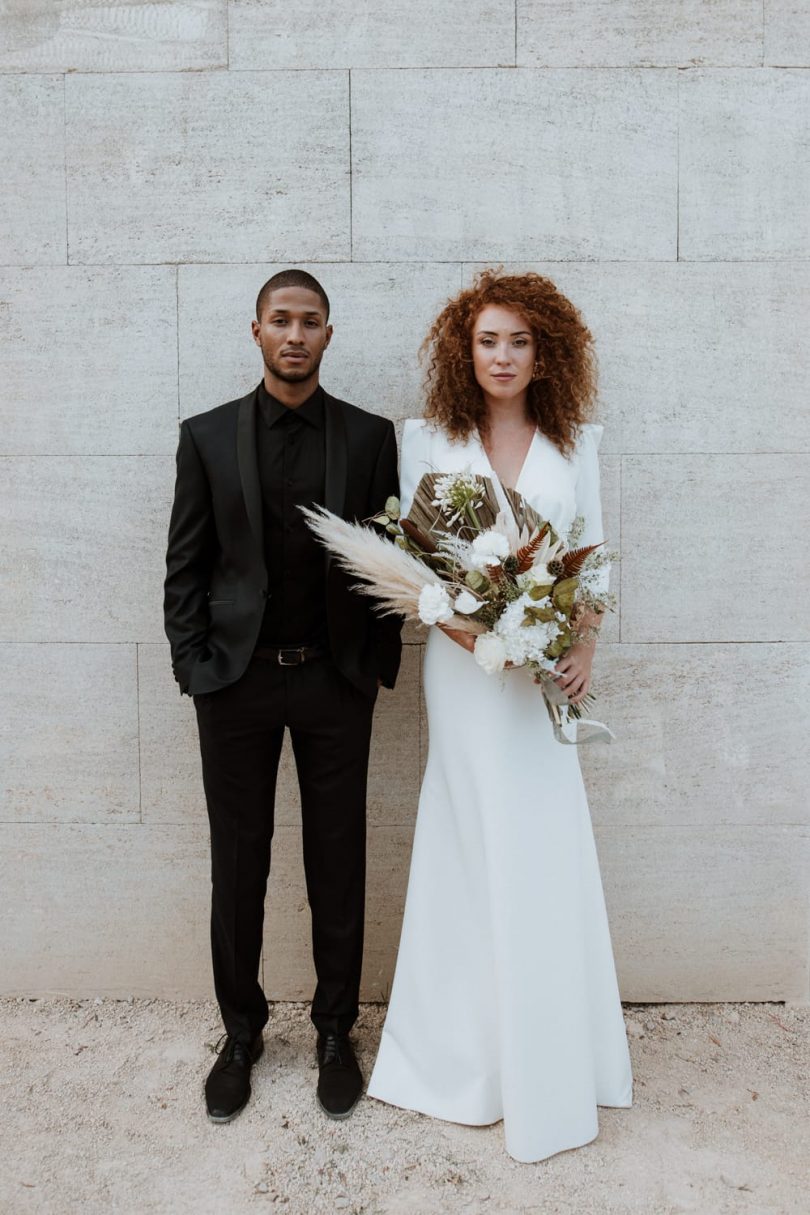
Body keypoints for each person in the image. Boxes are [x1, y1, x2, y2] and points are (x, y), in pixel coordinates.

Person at [367, 269, 632, 1162]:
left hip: (542, 685)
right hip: (467, 674)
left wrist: (580, 648)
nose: (504, 356)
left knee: (542, 844)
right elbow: (416, 570)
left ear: (544, 350)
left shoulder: (576, 445)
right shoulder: (429, 440)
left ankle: (557, 1059)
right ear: (464, 351)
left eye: (519, 341)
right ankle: (460, 1059)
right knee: (469, 840)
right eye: (488, 340)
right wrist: (476, 632)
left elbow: (593, 566)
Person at [163, 269, 402, 1124]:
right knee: (241, 860)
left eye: (309, 322)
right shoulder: (205, 436)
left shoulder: (371, 437)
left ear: (329, 334)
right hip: (235, 684)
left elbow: (388, 559)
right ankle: (242, 1031)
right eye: (280, 320)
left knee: (337, 860)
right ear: (256, 330)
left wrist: (374, 664)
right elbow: (185, 565)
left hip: (335, 681)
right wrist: (195, 665)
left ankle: (336, 1031)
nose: (294, 334)